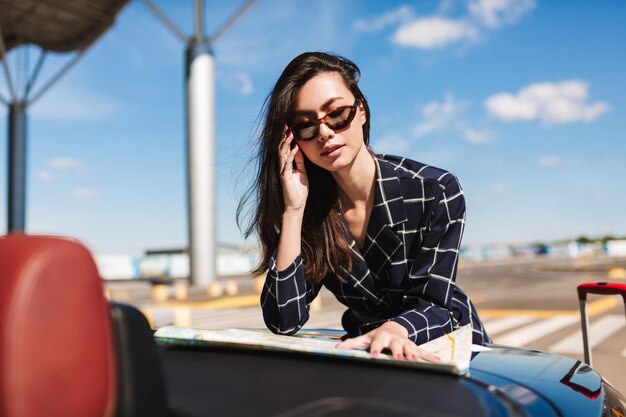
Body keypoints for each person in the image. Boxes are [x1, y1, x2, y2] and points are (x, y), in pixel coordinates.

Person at [238, 51, 490, 362]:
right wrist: (292, 211)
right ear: (293, 141)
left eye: (336, 114)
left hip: (448, 348)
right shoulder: (309, 212)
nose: (325, 132)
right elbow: (283, 320)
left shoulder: (434, 190)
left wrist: (396, 329)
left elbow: (436, 305)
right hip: (371, 355)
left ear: (361, 111)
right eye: (306, 126)